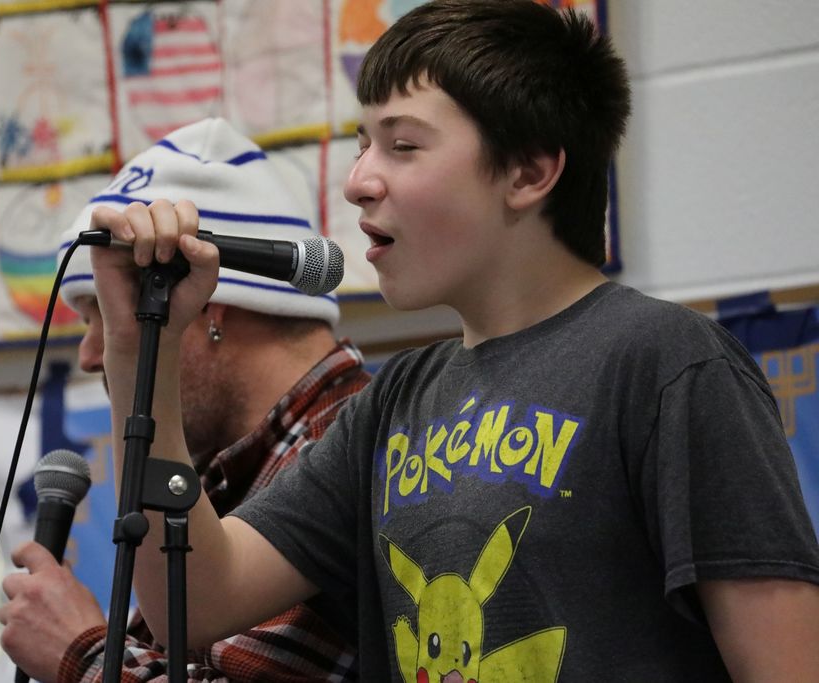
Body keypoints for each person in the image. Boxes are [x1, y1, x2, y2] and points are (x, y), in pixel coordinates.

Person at [90, 1, 819, 681]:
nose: (358, 182)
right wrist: (132, 349)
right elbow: (195, 596)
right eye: (361, 145)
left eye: (403, 145)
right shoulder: (394, 401)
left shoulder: (666, 364)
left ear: (530, 170)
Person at [0, 118, 370, 682]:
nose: (94, 355)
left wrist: (81, 654)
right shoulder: (228, 477)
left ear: (204, 303)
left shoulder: (354, 444)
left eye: (108, 317)